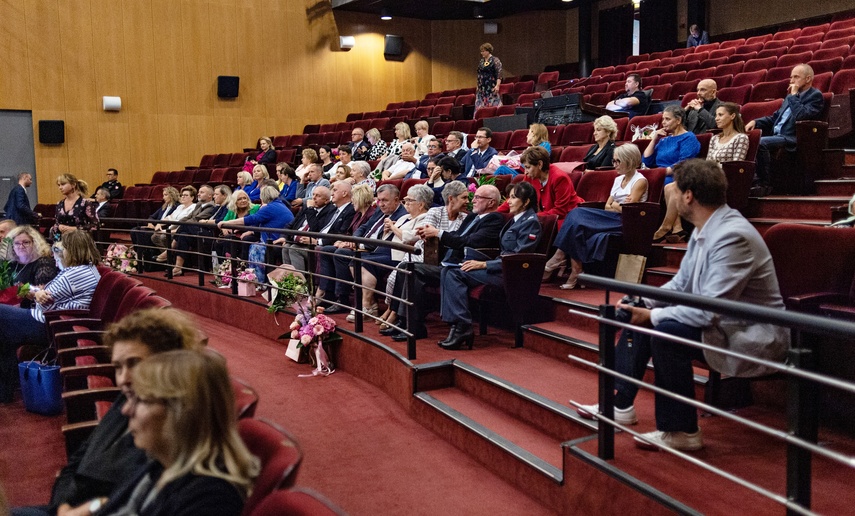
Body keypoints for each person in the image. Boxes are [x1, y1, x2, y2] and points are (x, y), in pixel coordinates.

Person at [597, 159, 789, 452]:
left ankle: (682, 430)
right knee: (644, 313)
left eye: (673, 190)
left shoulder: (731, 235)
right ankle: (620, 402)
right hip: (722, 325)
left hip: (750, 333)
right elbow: (682, 285)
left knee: (664, 330)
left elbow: (709, 309)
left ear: (688, 196)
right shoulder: (706, 227)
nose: (670, 195)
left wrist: (652, 314)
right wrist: (643, 302)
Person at [26, 308, 204, 515]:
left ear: (168, 363)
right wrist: (61, 507)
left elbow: (137, 499)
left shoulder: (168, 429)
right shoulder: (125, 399)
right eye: (118, 367)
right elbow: (77, 461)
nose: (123, 379)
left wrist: (92, 508)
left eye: (135, 364)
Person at [61, 349, 258, 515]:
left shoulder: (210, 499)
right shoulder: (162, 462)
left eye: (142, 400)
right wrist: (93, 507)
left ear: (182, 412)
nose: (126, 410)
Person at [0, 230, 100, 403]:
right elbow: (42, 295)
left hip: (51, 323)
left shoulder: (75, 274)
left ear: (73, 250)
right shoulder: (83, 269)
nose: (59, 253)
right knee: (4, 335)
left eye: (63, 249)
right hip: (53, 319)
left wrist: (33, 293)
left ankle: (5, 390)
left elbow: (43, 301)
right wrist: (35, 293)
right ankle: (5, 390)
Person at [439, 182, 541, 350]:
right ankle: (458, 326)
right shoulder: (515, 220)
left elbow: (517, 257)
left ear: (526, 201)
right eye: (509, 197)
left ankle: (461, 326)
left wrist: (484, 264)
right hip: (500, 268)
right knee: (448, 270)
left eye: (514, 197)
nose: (508, 201)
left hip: (512, 274)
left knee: (453, 273)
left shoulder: (530, 223)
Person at [408, 185, 504, 340]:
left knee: (437, 272)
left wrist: (438, 233)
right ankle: (409, 322)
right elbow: (456, 235)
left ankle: (458, 328)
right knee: (408, 268)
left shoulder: (495, 219)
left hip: (465, 265)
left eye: (478, 197)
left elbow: (469, 241)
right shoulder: (473, 217)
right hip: (449, 263)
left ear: (491, 202)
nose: (474, 201)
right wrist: (431, 235)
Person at [546, 144, 648, 289]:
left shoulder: (640, 181)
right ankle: (575, 269)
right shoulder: (618, 179)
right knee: (575, 216)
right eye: (614, 161)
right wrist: (617, 207)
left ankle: (561, 258)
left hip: (627, 221)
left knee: (577, 216)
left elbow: (629, 210)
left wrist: (616, 207)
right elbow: (608, 205)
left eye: (618, 161)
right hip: (611, 216)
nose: (614, 165)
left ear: (629, 160)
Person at [384, 181, 469, 341]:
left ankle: (411, 325)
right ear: (451, 199)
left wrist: (438, 234)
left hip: (447, 262)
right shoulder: (436, 212)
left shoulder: (466, 218)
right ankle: (404, 321)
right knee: (406, 267)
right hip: (426, 255)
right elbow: (425, 233)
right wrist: (442, 236)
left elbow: (458, 240)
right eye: (464, 197)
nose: (467, 201)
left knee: (411, 270)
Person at [654, 102, 750, 243]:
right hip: (709, 175)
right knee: (670, 187)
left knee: (673, 187)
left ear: (732, 116)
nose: (716, 118)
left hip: (724, 177)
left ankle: (666, 226)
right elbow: (709, 161)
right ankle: (675, 227)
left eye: (720, 115)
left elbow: (737, 164)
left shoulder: (741, 138)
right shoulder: (715, 138)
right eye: (716, 115)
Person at [350, 184, 434, 325]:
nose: (405, 203)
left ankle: (369, 306)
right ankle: (370, 304)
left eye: (409, 200)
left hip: (402, 256)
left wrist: (393, 227)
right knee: (354, 260)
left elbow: (409, 237)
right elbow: (385, 237)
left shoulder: (425, 218)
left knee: (366, 263)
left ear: (421, 204)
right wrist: (388, 229)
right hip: (385, 251)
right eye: (406, 200)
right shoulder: (405, 217)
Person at [324, 184, 406, 314]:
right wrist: (354, 240)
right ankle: (330, 295)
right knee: (326, 251)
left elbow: (383, 244)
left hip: (382, 252)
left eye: (385, 200)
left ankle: (355, 302)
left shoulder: (403, 216)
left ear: (396, 200)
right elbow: (363, 227)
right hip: (366, 246)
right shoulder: (380, 210)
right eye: (379, 200)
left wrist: (358, 245)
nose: (381, 204)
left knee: (345, 255)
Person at [745, 64, 824, 196]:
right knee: (746, 139)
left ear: (808, 79)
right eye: (791, 77)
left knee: (760, 143)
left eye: (796, 77)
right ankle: (750, 181)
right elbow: (775, 117)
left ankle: (765, 183)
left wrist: (793, 96)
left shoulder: (815, 96)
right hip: (777, 135)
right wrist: (756, 121)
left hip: (792, 137)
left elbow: (801, 116)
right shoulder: (789, 97)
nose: (791, 80)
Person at [219, 186, 294, 287]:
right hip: (277, 238)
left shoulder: (269, 208)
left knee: (254, 247)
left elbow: (249, 220)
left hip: (275, 240)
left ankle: (257, 281)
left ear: (263, 197)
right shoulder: (279, 204)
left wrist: (226, 222)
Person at [498, 146, 583, 227]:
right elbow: (518, 196)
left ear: (539, 164)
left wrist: (531, 217)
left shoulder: (559, 178)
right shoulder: (530, 177)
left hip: (567, 218)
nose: (525, 172)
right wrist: (495, 212)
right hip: (545, 217)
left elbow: (560, 211)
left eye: (528, 167)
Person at [274, 185, 335, 272]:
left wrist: (310, 209)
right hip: (297, 240)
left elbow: (315, 228)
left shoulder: (330, 211)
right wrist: (283, 236)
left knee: (293, 249)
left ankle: (300, 282)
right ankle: (288, 279)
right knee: (285, 247)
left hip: (312, 244)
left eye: (318, 196)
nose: (314, 198)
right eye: (313, 194)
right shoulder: (306, 208)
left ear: (326, 201)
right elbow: (291, 224)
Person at [642, 105, 701, 184]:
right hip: (660, 175)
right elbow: (646, 161)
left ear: (678, 120)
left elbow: (684, 163)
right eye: (663, 119)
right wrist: (654, 140)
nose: (663, 122)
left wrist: (661, 172)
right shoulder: (664, 140)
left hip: (676, 177)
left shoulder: (688, 138)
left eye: (667, 119)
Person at [168, 185, 218, 276]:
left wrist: (177, 229)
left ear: (210, 196)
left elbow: (195, 219)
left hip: (205, 234)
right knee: (183, 235)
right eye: (199, 192)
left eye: (202, 192)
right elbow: (187, 217)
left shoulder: (211, 207)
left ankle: (170, 248)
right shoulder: (199, 204)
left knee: (187, 225)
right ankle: (178, 268)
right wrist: (171, 228)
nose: (198, 194)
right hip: (194, 232)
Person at [6, 226, 59, 305]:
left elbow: (44, 295)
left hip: (33, 309)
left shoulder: (44, 264)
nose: (21, 246)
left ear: (35, 243)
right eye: (17, 243)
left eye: (26, 242)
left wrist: (20, 291)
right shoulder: (11, 263)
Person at [130, 187, 179, 266]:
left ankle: (145, 256)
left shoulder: (177, 207)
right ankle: (138, 253)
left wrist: (157, 225)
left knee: (142, 234)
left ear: (172, 195)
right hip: (155, 227)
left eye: (166, 195)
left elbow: (172, 221)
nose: (163, 197)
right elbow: (152, 216)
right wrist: (150, 223)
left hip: (163, 229)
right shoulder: (164, 206)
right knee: (134, 230)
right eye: (163, 195)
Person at [151, 186, 197, 263]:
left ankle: (170, 257)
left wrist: (170, 231)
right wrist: (159, 223)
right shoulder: (180, 206)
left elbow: (186, 223)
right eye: (182, 195)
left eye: (186, 195)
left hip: (179, 230)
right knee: (154, 237)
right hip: (171, 229)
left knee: (164, 237)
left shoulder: (193, 207)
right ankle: (169, 257)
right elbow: (170, 217)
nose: (183, 197)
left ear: (192, 198)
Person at [50, 174, 99, 241]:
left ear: (73, 185)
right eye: (59, 185)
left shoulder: (85, 203)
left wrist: (75, 228)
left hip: (79, 242)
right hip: (61, 242)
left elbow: (95, 225)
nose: (60, 187)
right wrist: (59, 227)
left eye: (63, 184)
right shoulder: (60, 204)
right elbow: (56, 223)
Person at [475, 43, 503, 111]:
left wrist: (497, 85)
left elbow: (499, 73)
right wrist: (478, 85)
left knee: (493, 106)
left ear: (488, 51)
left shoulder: (495, 60)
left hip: (491, 87)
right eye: (481, 51)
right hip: (482, 89)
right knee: (480, 108)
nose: (482, 53)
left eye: (483, 51)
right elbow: (479, 73)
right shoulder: (481, 61)